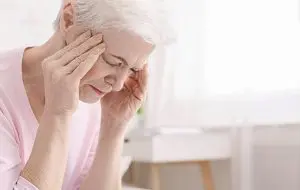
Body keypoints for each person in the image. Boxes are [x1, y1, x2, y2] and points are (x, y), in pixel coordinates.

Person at [0, 0, 171, 189]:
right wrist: (58, 114)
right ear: (69, 19)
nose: (117, 85)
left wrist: (113, 126)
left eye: (133, 69)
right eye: (113, 62)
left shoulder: (93, 100)